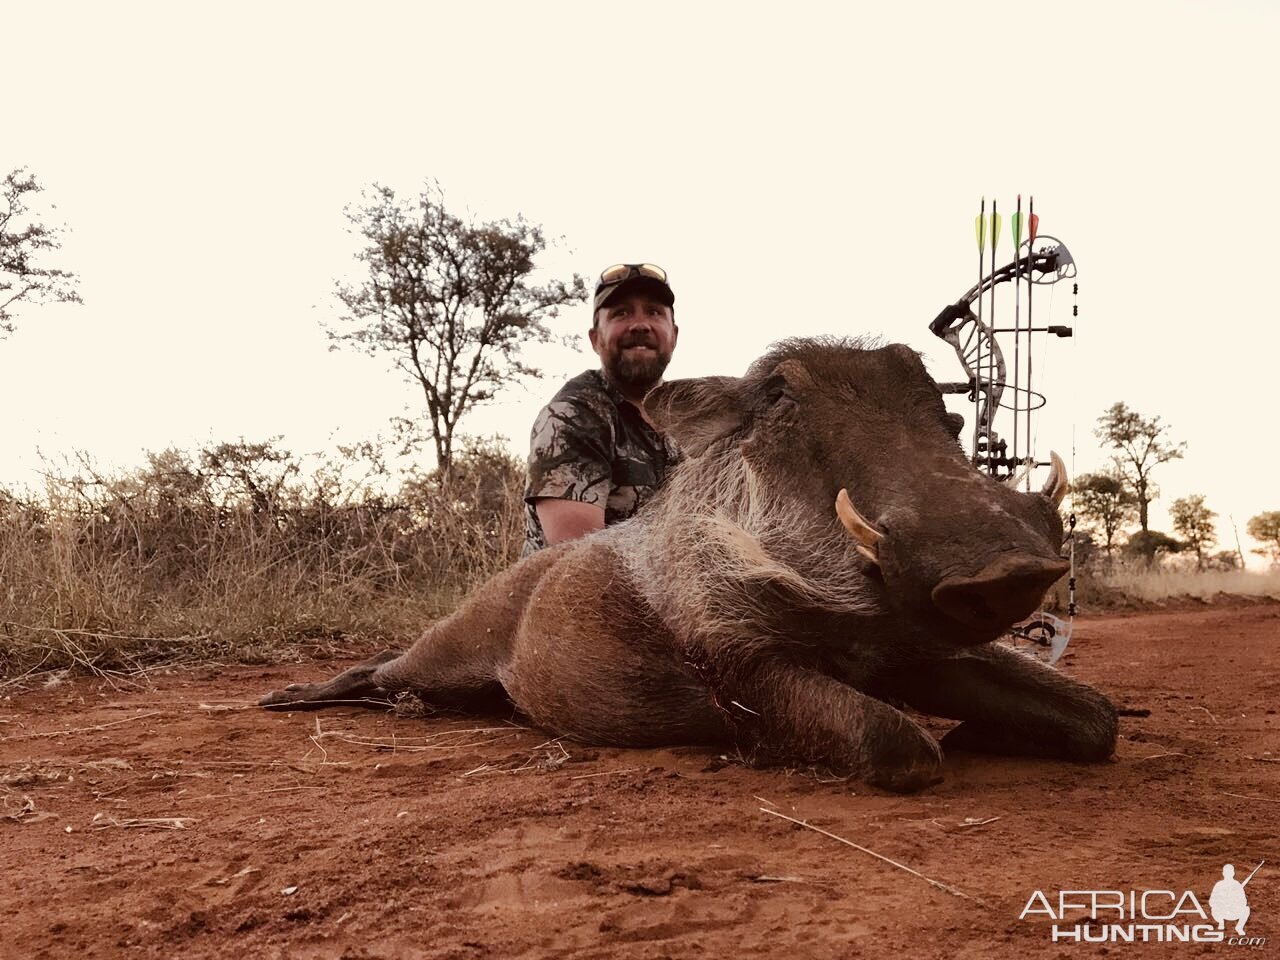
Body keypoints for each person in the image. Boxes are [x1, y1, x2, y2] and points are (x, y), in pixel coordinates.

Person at [522, 263, 680, 554]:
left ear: (674, 335)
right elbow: (581, 565)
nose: (640, 324)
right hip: (580, 595)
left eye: (654, 312)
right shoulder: (570, 418)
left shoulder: (690, 417)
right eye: (621, 313)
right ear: (595, 339)